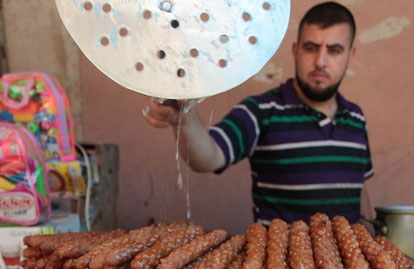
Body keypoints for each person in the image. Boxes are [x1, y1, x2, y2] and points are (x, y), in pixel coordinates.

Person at [143, 2, 372, 225]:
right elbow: (209, 157)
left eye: (334, 50)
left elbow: (361, 194)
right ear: (295, 50)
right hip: (279, 262)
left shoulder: (356, 119)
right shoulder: (262, 112)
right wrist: (185, 118)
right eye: (311, 48)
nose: (320, 61)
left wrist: (369, 226)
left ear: (350, 55)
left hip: (348, 263)